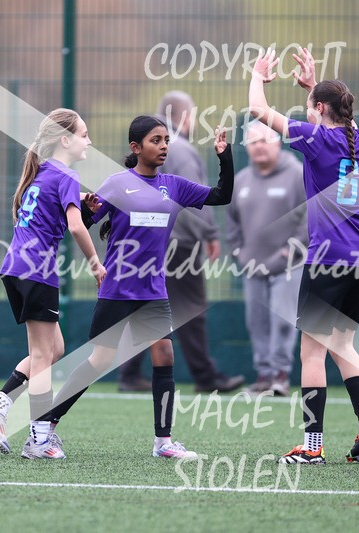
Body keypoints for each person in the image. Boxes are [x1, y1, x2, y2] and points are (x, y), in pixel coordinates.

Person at [39, 115, 234, 459]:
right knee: (99, 360)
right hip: (117, 289)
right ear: (136, 147)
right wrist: (86, 209)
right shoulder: (116, 184)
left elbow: (222, 195)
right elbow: (82, 222)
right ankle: (46, 425)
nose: (163, 147)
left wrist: (224, 156)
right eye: (155, 141)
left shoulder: (174, 185)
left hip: (154, 292)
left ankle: (164, 442)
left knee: (164, 354)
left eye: (165, 141)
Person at [249, 47, 359, 465]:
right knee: (343, 344)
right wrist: (313, 85)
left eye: (310, 104)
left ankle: (312, 448)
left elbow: (258, 110)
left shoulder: (315, 139)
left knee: (312, 353)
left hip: (329, 258)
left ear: (320, 109)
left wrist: (258, 75)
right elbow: (341, 123)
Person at [0, 108, 106, 458]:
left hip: (17, 268)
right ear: (65, 140)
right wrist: (96, 265)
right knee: (44, 357)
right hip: (36, 271)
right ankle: (40, 440)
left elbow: (61, 223)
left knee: (52, 350)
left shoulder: (42, 173)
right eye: (83, 134)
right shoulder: (66, 175)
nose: (88, 140)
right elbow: (74, 228)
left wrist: (86, 212)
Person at [117, 91, 244, 394]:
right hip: (179, 243)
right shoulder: (183, 150)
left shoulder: (146, 149)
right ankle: (206, 376)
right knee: (191, 309)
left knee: (143, 306)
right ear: (187, 116)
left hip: (147, 242)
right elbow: (195, 198)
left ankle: (129, 374)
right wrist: (210, 235)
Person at [226, 120, 307, 396]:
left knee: (283, 320)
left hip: (288, 265)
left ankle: (280, 377)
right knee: (256, 321)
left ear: (277, 143)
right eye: (252, 142)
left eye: (264, 140)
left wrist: (290, 251)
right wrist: (238, 252)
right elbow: (232, 221)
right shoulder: (242, 180)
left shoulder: (297, 174)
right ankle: (263, 376)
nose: (258, 146)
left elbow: (309, 217)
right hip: (253, 266)